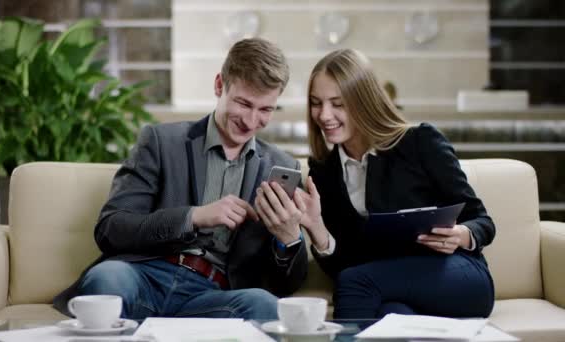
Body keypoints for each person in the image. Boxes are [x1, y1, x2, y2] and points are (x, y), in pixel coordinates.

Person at [53, 38, 308, 320]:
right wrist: (194, 217)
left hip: (212, 296)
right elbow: (111, 229)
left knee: (264, 305)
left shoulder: (281, 167)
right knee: (108, 279)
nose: (251, 121)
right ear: (219, 85)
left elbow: (286, 285)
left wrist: (289, 239)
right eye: (243, 103)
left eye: (265, 110)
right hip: (142, 277)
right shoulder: (161, 142)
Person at [297, 49, 495, 319]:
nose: (324, 115)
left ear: (363, 101)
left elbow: (482, 221)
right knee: (391, 316)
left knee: (355, 284)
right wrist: (317, 230)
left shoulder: (420, 142)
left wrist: (461, 234)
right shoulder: (323, 171)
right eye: (316, 103)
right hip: (388, 288)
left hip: (456, 275)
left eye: (337, 103)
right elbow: (344, 267)